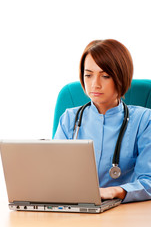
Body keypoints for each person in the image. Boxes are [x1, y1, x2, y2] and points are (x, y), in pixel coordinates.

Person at [54, 39, 151, 203]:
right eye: (88, 75)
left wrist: (114, 191)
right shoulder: (69, 119)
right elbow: (54, 173)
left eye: (105, 76)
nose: (95, 84)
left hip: (124, 212)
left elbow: (148, 181)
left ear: (121, 77)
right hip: (75, 208)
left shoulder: (144, 120)